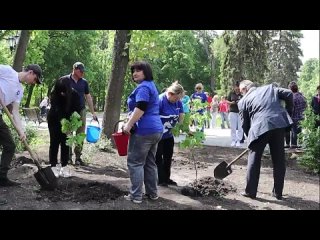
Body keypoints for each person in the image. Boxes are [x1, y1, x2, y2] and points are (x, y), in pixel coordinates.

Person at [238, 80, 293, 200]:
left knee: (254, 159)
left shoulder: (243, 101)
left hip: (259, 128)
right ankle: (278, 193)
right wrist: (288, 113)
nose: (241, 94)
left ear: (244, 89)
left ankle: (250, 192)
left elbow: (245, 124)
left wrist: (251, 139)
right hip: (278, 125)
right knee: (279, 160)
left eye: (241, 91)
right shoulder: (270, 88)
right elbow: (289, 93)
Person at [122, 61, 163, 204]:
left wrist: (128, 124)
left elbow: (141, 108)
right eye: (133, 71)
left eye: (138, 70)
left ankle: (136, 196)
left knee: (135, 162)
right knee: (150, 163)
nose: (134, 73)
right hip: (156, 130)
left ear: (146, 72)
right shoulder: (152, 85)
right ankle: (153, 194)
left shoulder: (144, 87)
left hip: (144, 130)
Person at [0, 64, 42, 187]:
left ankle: (1, 178)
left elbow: (15, 112)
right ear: (31, 73)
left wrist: (21, 131)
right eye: (35, 79)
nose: (34, 83)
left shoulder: (20, 90)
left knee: (10, 146)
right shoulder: (8, 71)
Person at [47, 77, 82, 178]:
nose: (62, 93)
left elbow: (77, 109)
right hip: (54, 119)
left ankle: (64, 166)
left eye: (64, 91)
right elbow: (57, 110)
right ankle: (53, 166)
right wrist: (63, 123)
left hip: (69, 118)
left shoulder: (74, 95)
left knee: (66, 143)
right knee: (54, 142)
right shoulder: (55, 94)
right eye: (60, 91)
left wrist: (72, 123)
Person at [65, 62, 97, 166]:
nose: (83, 73)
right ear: (74, 69)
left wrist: (93, 112)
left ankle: (78, 157)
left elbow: (88, 97)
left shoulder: (84, 82)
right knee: (68, 134)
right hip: (68, 111)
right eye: (81, 71)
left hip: (81, 110)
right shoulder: (64, 80)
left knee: (80, 134)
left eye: (83, 71)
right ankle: (68, 158)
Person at [156, 81, 184, 186]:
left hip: (169, 135)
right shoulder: (160, 100)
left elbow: (181, 113)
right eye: (176, 98)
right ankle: (160, 180)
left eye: (179, 99)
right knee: (158, 158)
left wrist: (180, 126)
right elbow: (153, 116)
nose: (177, 101)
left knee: (168, 157)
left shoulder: (178, 102)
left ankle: (167, 178)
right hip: (158, 135)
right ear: (170, 94)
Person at [288, 82, 307, 148]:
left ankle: (294, 146)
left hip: (294, 117)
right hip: (302, 117)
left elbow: (292, 109)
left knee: (294, 132)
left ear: (291, 89)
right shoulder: (302, 96)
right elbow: (306, 106)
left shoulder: (293, 97)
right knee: (300, 131)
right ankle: (301, 145)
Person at [227, 82, 243, 147]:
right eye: (236, 87)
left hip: (240, 112)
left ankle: (239, 140)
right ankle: (233, 140)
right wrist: (231, 102)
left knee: (240, 127)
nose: (237, 89)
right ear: (234, 87)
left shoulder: (242, 94)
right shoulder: (231, 93)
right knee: (233, 127)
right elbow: (227, 101)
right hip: (232, 111)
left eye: (238, 87)